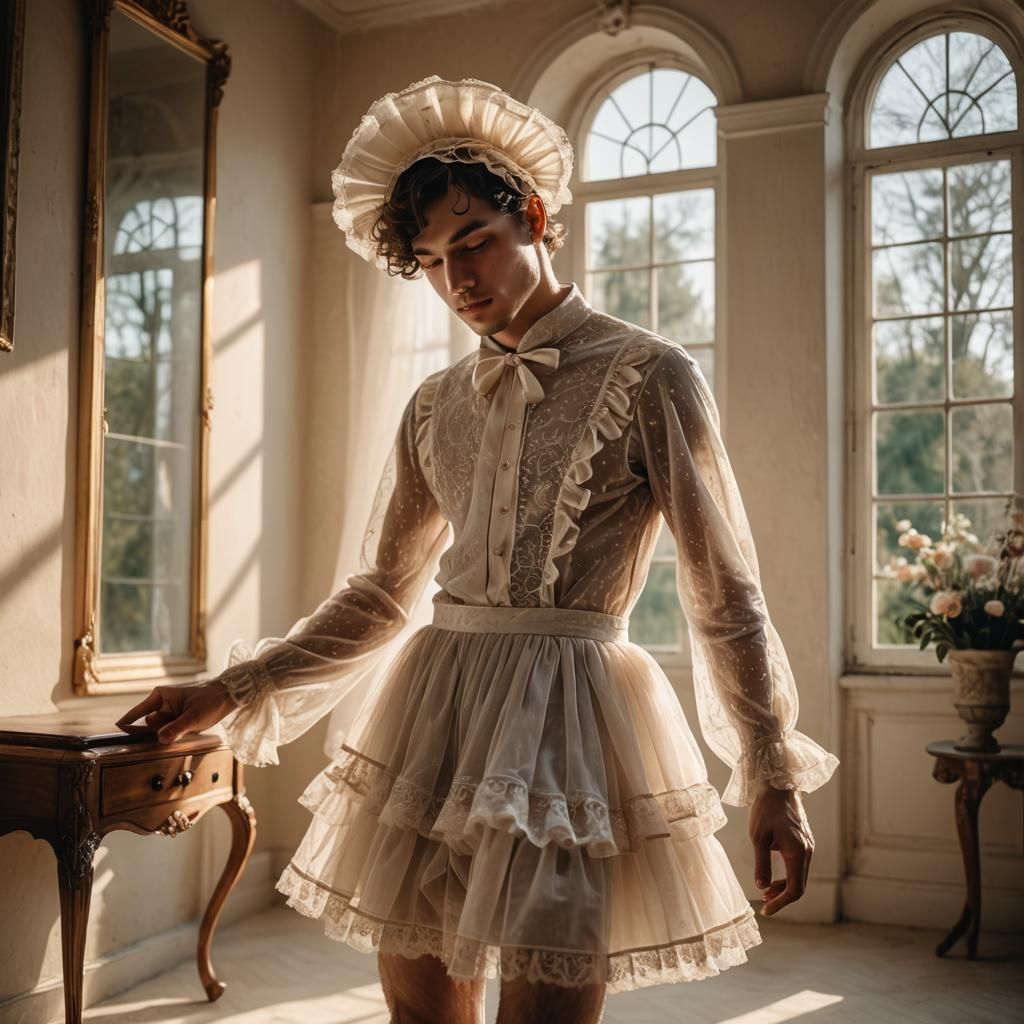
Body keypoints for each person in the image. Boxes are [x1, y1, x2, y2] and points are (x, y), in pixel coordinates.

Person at [117, 76, 839, 1024]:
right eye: (429, 259)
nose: (459, 280)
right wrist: (236, 687)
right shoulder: (434, 406)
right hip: (436, 715)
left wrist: (772, 773)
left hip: (571, 727)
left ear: (532, 217)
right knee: (418, 1008)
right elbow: (384, 591)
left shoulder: (653, 373)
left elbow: (722, 592)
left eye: (476, 244)